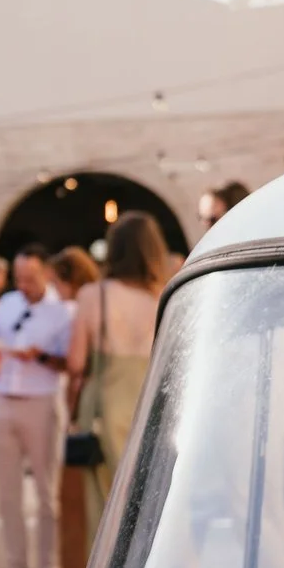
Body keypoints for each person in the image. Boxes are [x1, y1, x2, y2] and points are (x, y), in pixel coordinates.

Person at [66, 213, 177, 535]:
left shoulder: (93, 295)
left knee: (105, 505)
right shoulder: (165, 297)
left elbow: (75, 363)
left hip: (105, 409)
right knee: (152, 501)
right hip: (152, 408)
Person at [0, 244, 73, 568]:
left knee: (46, 490)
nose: (23, 284)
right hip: (5, 396)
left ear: (46, 274)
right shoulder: (7, 304)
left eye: (30, 278)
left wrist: (42, 356)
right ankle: (16, 567)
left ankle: (50, 567)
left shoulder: (63, 311)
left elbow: (69, 361)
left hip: (41, 398)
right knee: (6, 491)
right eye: (19, 277)